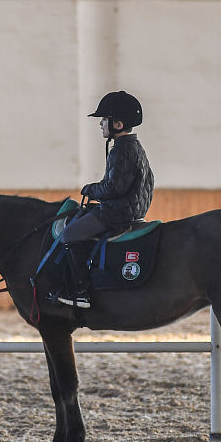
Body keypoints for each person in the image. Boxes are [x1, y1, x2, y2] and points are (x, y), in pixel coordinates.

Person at [55, 91, 154, 308]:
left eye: (104, 120)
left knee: (70, 234)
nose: (100, 124)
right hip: (131, 209)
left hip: (117, 213)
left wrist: (89, 189)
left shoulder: (122, 149)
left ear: (118, 124)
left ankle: (80, 291)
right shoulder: (134, 146)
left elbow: (113, 188)